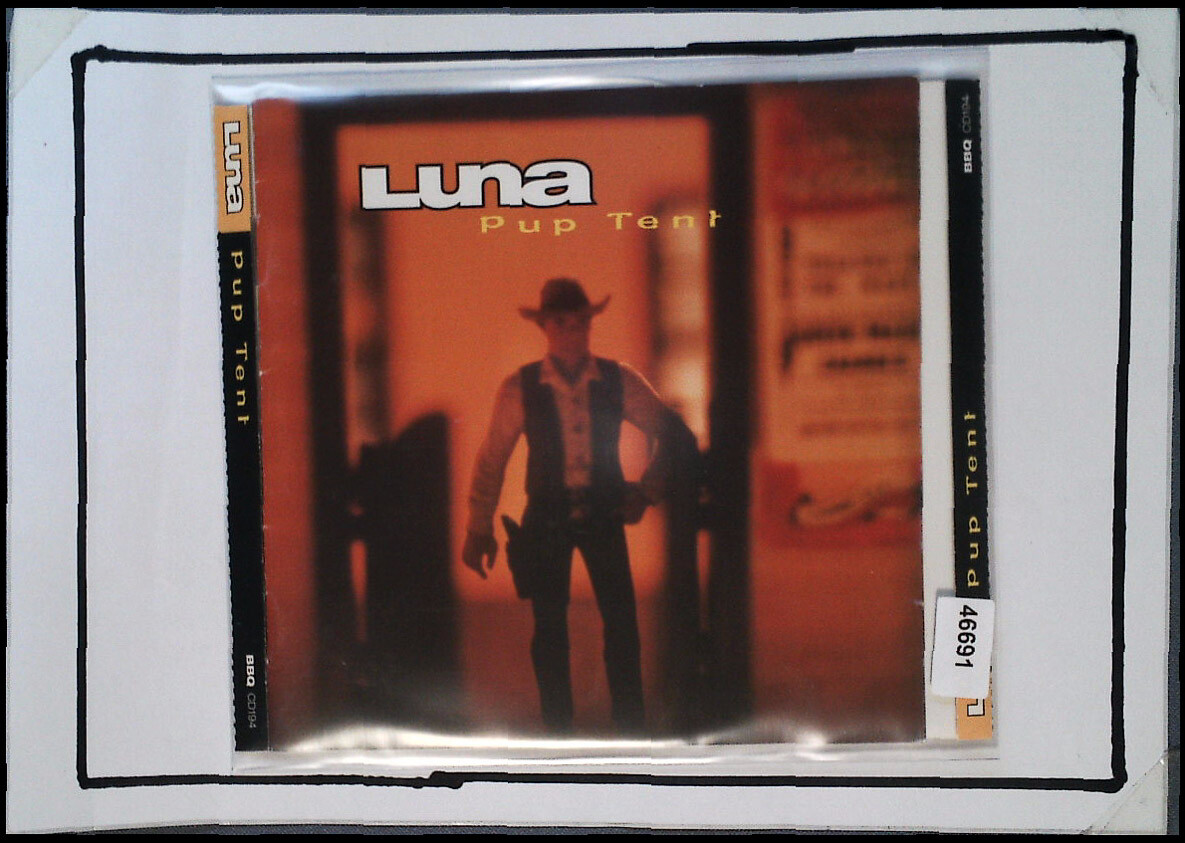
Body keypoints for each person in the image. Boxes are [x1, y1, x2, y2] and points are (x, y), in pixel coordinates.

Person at [462, 277, 676, 734]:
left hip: (604, 514)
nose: (572, 331)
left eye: (580, 322)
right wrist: (479, 528)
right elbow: (492, 459)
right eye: (561, 322)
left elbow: (672, 434)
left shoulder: (618, 380)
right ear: (544, 326)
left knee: (621, 625)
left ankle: (630, 729)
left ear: (590, 324)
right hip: (546, 519)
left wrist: (646, 491)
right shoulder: (520, 387)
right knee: (549, 628)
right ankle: (558, 731)